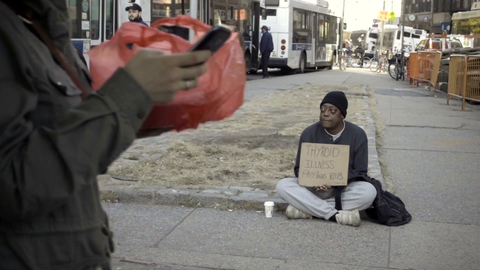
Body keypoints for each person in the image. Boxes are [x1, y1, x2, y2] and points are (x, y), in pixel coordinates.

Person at [0, 0, 210, 269]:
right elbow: (12, 186)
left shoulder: (40, 26)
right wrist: (128, 95)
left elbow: (62, 135)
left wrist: (141, 112)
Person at [276, 91, 377, 227]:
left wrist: (334, 182)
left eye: (332, 110)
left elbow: (360, 171)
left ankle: (307, 209)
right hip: (313, 189)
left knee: (369, 192)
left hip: (341, 190)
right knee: (283, 185)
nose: (326, 114)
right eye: (323, 109)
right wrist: (314, 181)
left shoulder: (357, 135)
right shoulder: (309, 133)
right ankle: (335, 215)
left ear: (342, 115)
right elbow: (299, 169)